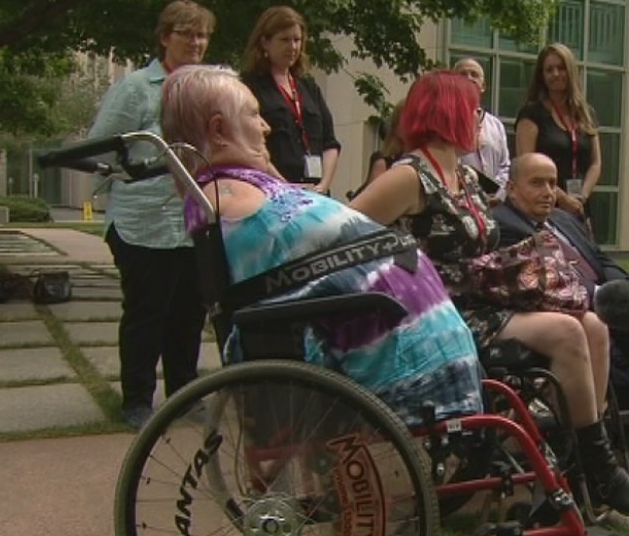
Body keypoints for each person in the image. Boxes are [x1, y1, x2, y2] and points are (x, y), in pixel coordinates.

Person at [351, 70, 629, 516]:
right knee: (566, 332)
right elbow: (343, 230)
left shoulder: (461, 173)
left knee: (594, 325)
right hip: (441, 313)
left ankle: (579, 469)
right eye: (474, 109)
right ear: (450, 113)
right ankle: (598, 473)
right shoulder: (410, 175)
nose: (482, 119)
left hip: (483, 300)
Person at [160, 64, 483, 427]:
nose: (266, 126)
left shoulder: (238, 189)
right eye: (254, 115)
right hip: (403, 365)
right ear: (218, 130)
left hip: (403, 343)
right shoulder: (228, 198)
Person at [87, 0, 215, 430]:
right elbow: (100, 146)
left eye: (202, 35)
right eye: (187, 34)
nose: (196, 42)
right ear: (165, 38)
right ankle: (137, 401)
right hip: (143, 222)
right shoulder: (137, 87)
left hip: (193, 220)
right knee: (147, 313)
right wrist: (129, 176)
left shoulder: (206, 86)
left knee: (189, 313)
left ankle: (183, 393)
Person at [494, 153, 629, 415]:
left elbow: (601, 259)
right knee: (600, 317)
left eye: (551, 183)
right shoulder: (504, 224)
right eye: (536, 183)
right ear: (511, 189)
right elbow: (550, 278)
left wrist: (617, 287)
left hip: (597, 290)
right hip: (554, 303)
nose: (547, 192)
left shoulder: (564, 218)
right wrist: (605, 294)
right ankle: (628, 388)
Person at [241, 5, 341, 194]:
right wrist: (284, 187)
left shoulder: (309, 88)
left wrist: (323, 185)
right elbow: (248, 146)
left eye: (297, 40)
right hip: (272, 194)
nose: (293, 47)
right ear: (264, 42)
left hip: (316, 195)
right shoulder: (248, 87)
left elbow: (330, 143)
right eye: (285, 40)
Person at [514, 43, 601, 221]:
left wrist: (581, 197)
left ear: (571, 71)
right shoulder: (532, 113)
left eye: (561, 68)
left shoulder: (586, 113)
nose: (555, 74)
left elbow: (596, 163)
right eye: (549, 70)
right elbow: (526, 165)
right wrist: (562, 198)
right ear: (542, 76)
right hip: (545, 207)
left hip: (579, 206)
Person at [453, 58, 510, 199]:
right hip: (461, 198)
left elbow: (505, 166)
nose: (469, 78)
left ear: (483, 86)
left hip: (495, 201)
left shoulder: (496, 125)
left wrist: (497, 193)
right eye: (463, 74)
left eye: (474, 74)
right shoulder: (447, 120)